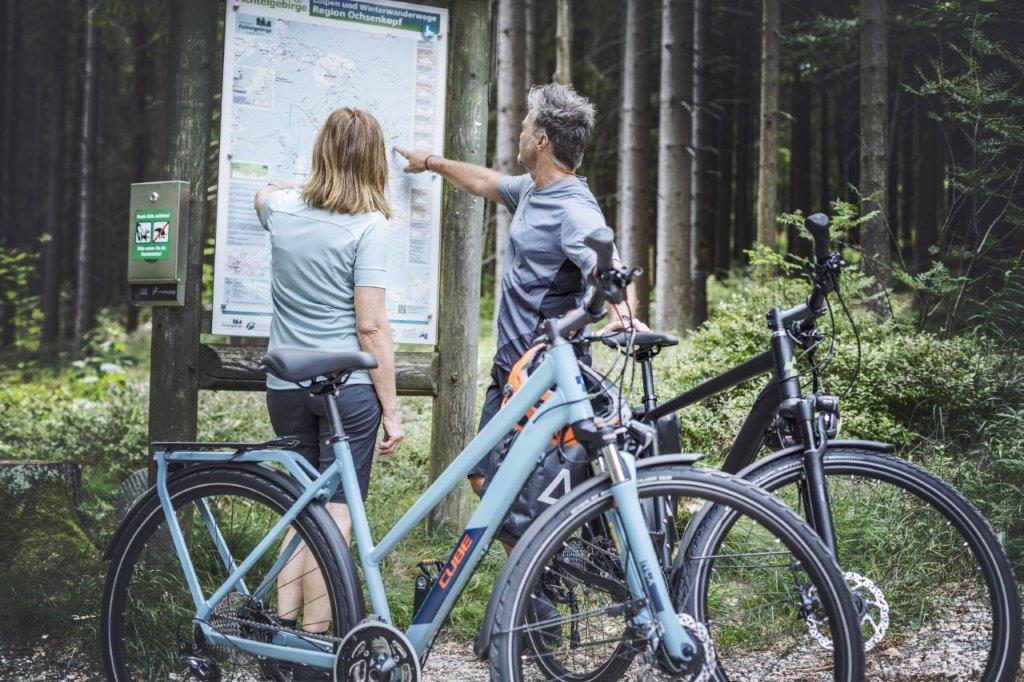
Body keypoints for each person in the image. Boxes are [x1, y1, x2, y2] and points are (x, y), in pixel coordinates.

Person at [397, 83, 648, 498]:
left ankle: (546, 563)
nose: (519, 132)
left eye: (525, 125)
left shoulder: (573, 209)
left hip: (544, 373)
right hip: (511, 369)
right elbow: (485, 182)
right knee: (485, 479)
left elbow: (610, 268)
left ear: (542, 140)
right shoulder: (533, 190)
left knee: (524, 493)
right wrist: (430, 162)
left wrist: (623, 315)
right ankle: (544, 562)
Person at [253, 107, 404, 668]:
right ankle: (317, 647)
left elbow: (261, 194)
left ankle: (280, 637)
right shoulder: (370, 226)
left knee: (299, 509)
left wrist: (305, 185)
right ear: (373, 161)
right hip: (346, 392)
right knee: (336, 514)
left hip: (285, 386)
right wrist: (392, 408)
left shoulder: (282, 210)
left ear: (320, 152)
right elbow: (371, 326)